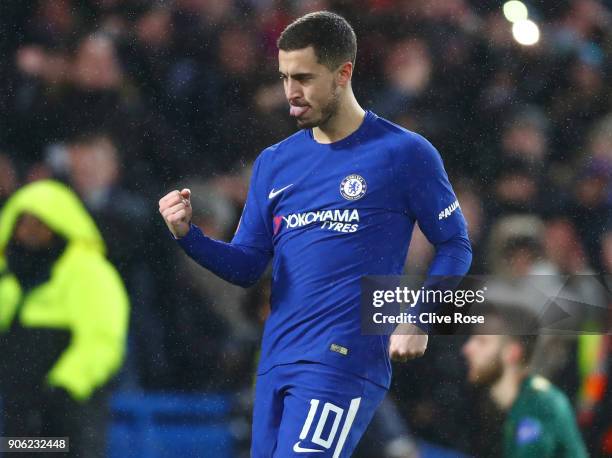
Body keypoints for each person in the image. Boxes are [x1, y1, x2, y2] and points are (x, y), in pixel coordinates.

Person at [159, 11, 472, 457]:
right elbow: (249, 265)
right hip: (274, 362)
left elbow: (454, 243)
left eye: (304, 77)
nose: (291, 93)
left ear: (343, 73)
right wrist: (189, 235)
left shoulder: (404, 153)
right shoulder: (274, 162)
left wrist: (421, 316)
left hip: (342, 360)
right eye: (285, 77)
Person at [0, 180, 129, 457]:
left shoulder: (89, 273)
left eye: (40, 223)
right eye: (23, 223)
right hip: (20, 417)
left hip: (70, 415)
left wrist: (64, 388)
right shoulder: (10, 277)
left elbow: (102, 339)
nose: (30, 232)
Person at [462, 304, 588, 458]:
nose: (467, 348)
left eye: (482, 341)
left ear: (512, 353)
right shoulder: (484, 400)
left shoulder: (543, 404)